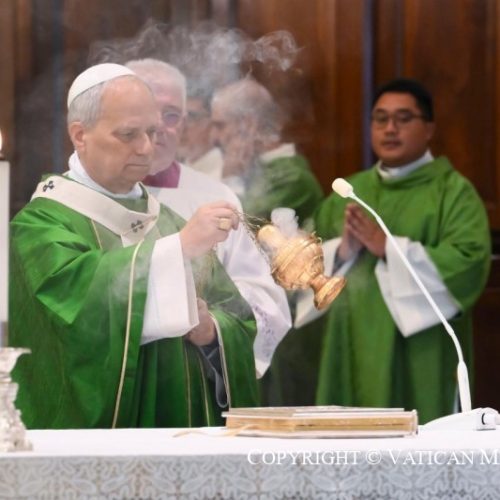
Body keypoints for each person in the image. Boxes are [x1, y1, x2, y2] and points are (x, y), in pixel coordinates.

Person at [9, 63, 259, 429]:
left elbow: (235, 317)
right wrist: (178, 250)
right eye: (128, 134)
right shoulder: (42, 224)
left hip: (182, 433)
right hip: (98, 446)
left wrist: (211, 331)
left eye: (152, 132)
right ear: (80, 135)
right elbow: (75, 319)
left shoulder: (168, 221)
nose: (146, 148)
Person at [314, 78, 491, 423]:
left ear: (429, 129)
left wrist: (389, 248)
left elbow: (468, 263)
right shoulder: (349, 191)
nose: (390, 129)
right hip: (351, 342)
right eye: (380, 119)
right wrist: (342, 251)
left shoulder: (453, 193)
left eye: (403, 118)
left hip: (420, 349)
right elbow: (303, 261)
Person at [124, 58, 291, 378]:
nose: (158, 126)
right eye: (145, 112)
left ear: (185, 123)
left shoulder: (215, 196)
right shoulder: (81, 196)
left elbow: (266, 300)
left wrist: (213, 325)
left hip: (194, 379)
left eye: (171, 115)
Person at [210, 78, 324, 226]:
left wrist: (232, 178)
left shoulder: (291, 178)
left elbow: (236, 227)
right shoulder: (252, 167)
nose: (214, 137)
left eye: (220, 126)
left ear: (248, 124)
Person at [176, 93, 224, 180]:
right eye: (176, 116)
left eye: (191, 117)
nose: (180, 127)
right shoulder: (177, 172)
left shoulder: (222, 177)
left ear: (212, 125)